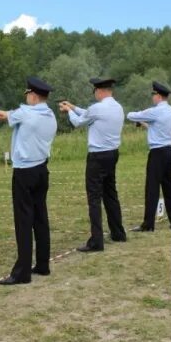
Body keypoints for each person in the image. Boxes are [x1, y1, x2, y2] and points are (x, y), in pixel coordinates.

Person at [0, 76, 58, 284]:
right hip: (41, 168)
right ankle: (43, 264)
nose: (27, 98)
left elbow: (1, 116)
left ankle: (22, 272)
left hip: (24, 171)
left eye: (28, 94)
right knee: (40, 218)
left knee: (23, 221)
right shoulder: (50, 115)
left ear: (33, 95)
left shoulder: (27, 112)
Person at [59, 78, 127, 252]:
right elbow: (88, 113)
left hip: (97, 157)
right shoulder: (117, 107)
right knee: (111, 194)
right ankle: (118, 232)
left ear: (99, 90)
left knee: (94, 198)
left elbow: (78, 122)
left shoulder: (97, 108)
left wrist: (68, 111)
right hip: (112, 154)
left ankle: (96, 241)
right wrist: (73, 106)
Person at [126, 81, 171, 231]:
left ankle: (148, 223)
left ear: (158, 95)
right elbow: (156, 127)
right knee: (170, 186)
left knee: (152, 187)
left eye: (153, 95)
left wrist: (139, 116)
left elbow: (132, 116)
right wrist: (145, 123)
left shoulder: (156, 111)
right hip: (169, 149)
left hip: (157, 151)